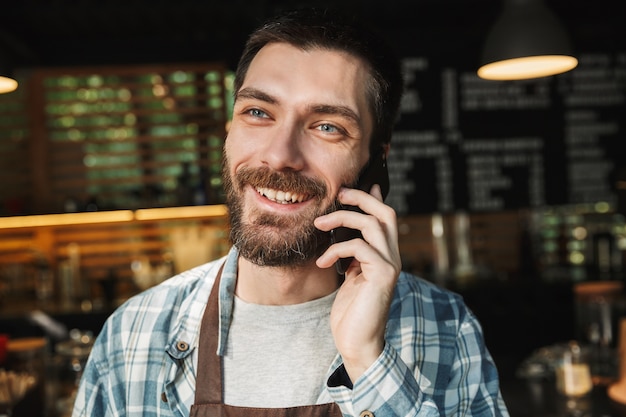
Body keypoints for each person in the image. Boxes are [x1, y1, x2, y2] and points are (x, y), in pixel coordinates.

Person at [73, 7, 509, 417]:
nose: (280, 156)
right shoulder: (132, 337)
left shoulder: (446, 327)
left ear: (376, 161)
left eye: (327, 126)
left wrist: (368, 360)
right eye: (258, 112)